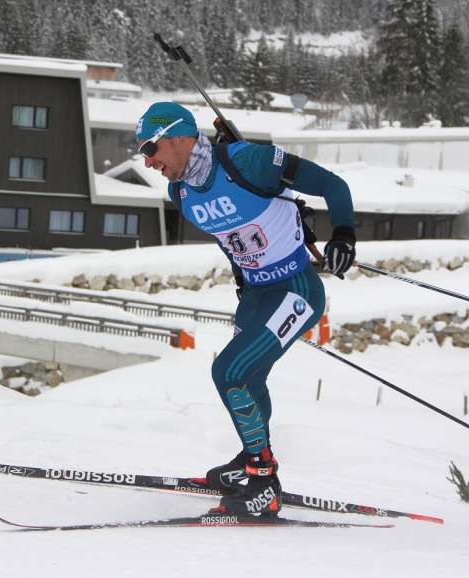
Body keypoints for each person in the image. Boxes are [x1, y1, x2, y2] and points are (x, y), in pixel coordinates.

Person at [135, 102, 356, 517]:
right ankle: (251, 457)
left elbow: (333, 184)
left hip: (294, 290)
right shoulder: (180, 192)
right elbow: (232, 236)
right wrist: (244, 276)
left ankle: (264, 480)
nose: (147, 161)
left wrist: (343, 236)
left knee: (229, 372)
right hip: (255, 296)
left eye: (150, 148)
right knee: (248, 380)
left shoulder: (247, 161)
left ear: (179, 137)